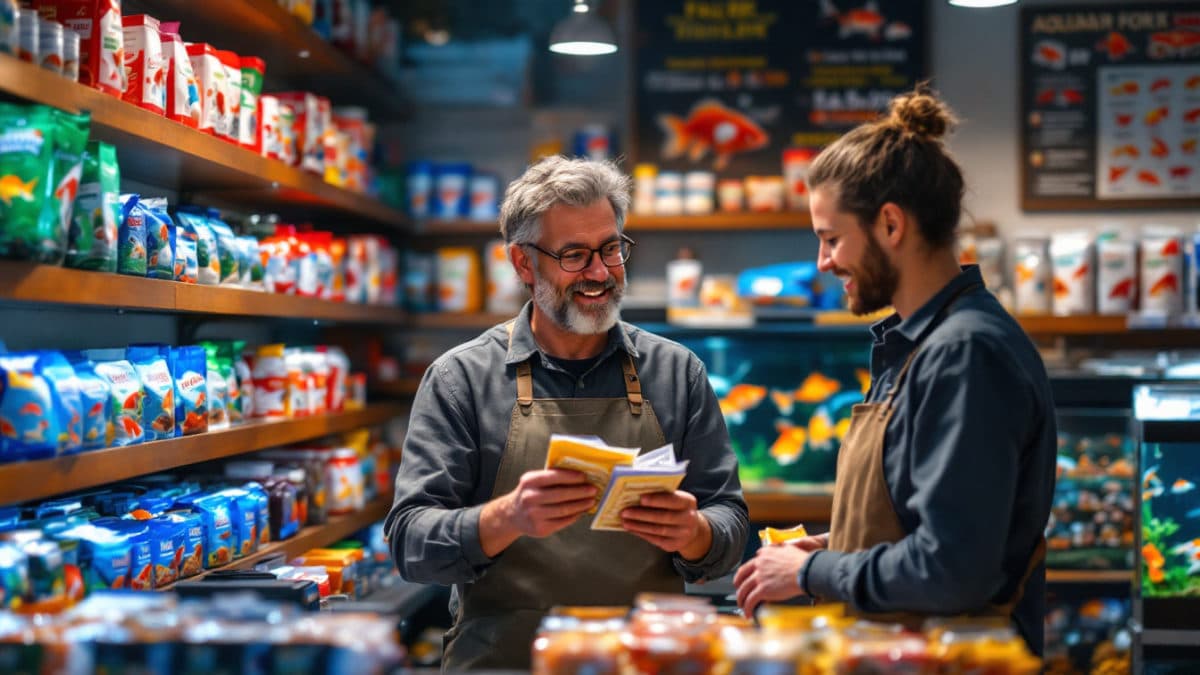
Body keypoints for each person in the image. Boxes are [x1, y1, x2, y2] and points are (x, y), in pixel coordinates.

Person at [386, 156, 749, 670]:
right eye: (575, 255)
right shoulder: (460, 379)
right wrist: (505, 518)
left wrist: (695, 533)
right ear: (522, 263)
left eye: (611, 249)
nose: (600, 272)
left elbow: (730, 520)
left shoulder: (676, 372)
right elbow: (410, 541)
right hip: (505, 664)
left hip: (641, 663)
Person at [733, 85, 1056, 656]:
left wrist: (815, 575)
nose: (823, 263)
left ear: (890, 224)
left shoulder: (964, 354)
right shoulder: (920, 343)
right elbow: (929, 521)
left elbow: (953, 567)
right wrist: (840, 548)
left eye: (832, 239)